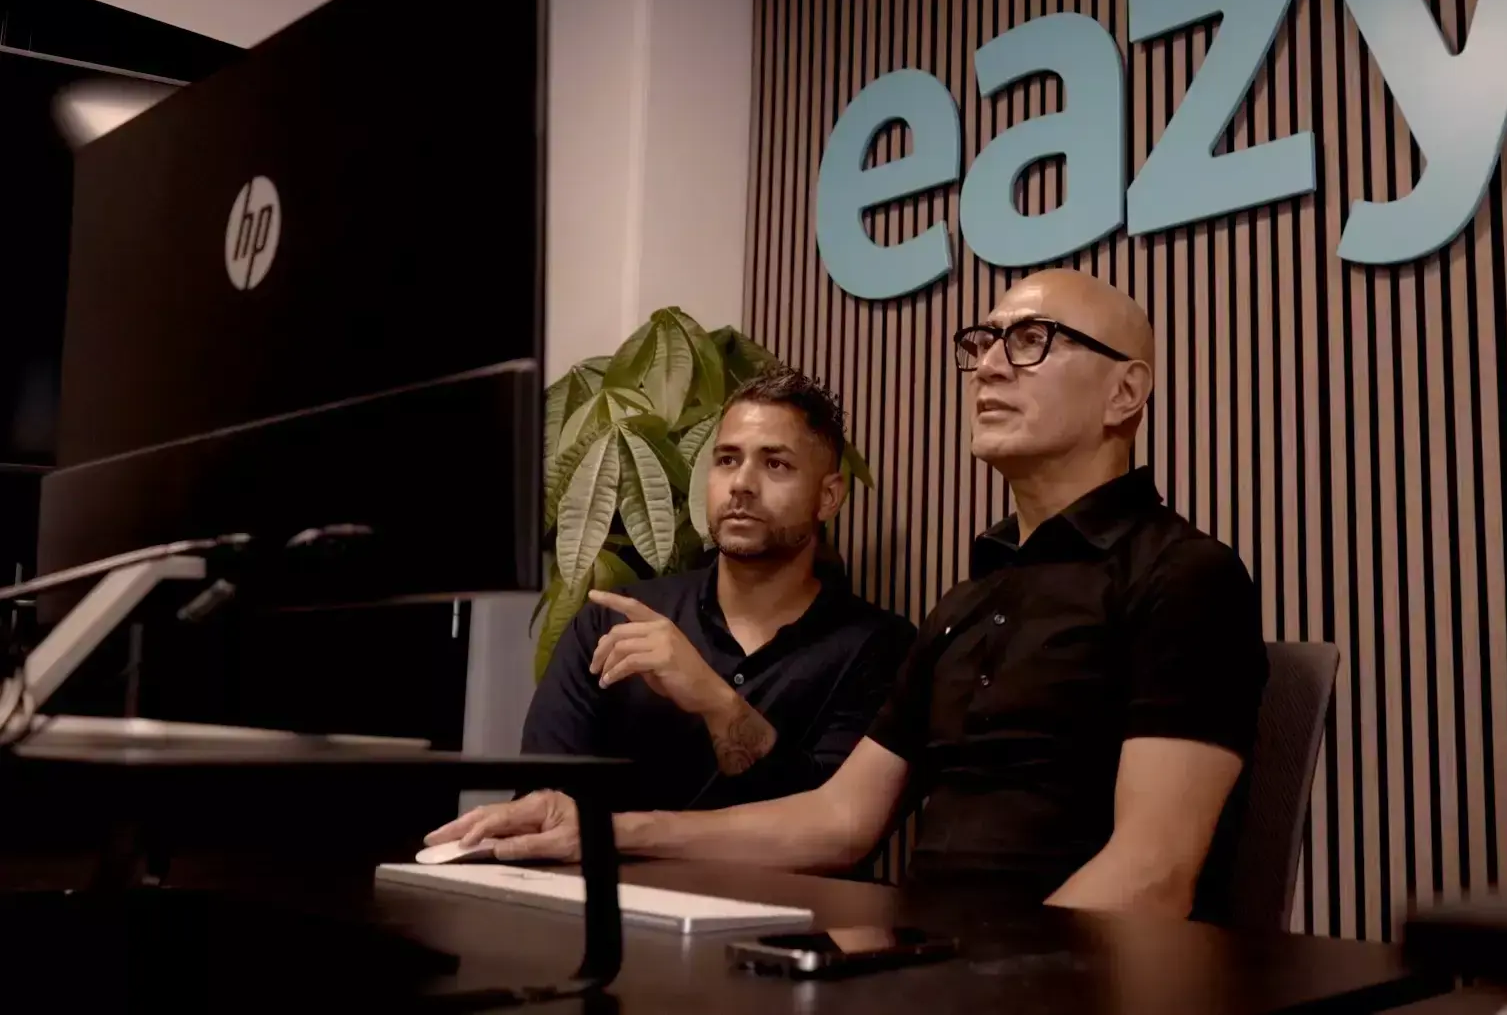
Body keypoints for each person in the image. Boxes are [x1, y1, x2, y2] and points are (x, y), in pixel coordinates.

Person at [432, 270, 1269, 918]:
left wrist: (982, 985)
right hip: (927, 966)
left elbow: (1153, 871)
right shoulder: (965, 603)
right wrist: (600, 832)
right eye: (981, 343)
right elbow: (838, 822)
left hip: (1054, 983)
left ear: (1126, 392)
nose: (986, 365)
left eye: (1031, 341)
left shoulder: (1182, 575)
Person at [512, 367, 914, 822]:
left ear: (828, 497)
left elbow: (825, 828)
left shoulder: (878, 651)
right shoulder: (613, 622)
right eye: (726, 460)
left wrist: (714, 698)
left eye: (775, 464)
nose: (741, 483)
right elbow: (543, 806)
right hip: (601, 872)